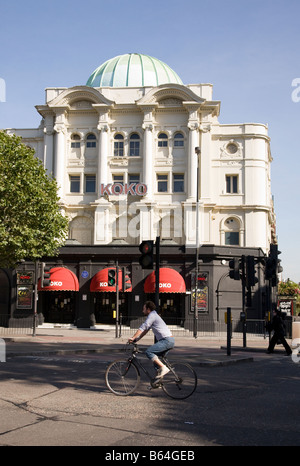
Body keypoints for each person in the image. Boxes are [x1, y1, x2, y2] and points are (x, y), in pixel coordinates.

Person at [128, 301, 175, 379]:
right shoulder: (154, 315)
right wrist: (137, 339)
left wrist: (133, 337)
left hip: (166, 341)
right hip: (169, 340)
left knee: (149, 352)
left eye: (144, 309)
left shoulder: (152, 315)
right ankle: (158, 381)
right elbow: (145, 330)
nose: (142, 311)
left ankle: (164, 368)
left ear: (148, 309)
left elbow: (143, 327)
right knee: (155, 360)